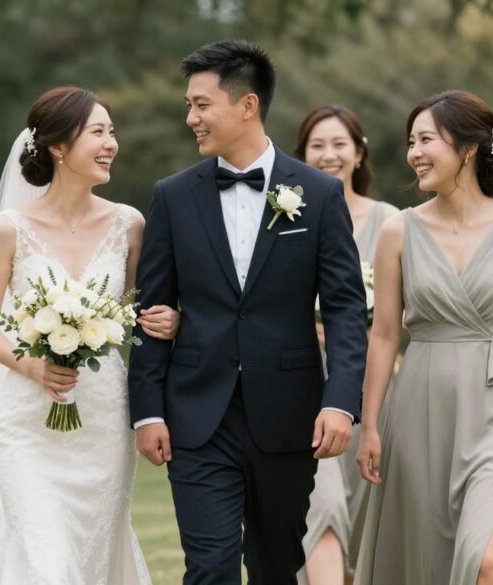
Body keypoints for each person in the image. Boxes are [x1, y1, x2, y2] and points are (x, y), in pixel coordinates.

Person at [129, 40, 369, 584]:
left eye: (200, 104)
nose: (190, 117)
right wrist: (147, 410)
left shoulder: (320, 194)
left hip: (289, 416)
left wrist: (341, 402)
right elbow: (151, 309)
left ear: (247, 105)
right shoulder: (171, 197)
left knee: (275, 567)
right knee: (210, 565)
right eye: (188, 105)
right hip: (196, 414)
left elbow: (346, 310)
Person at [0, 86, 180, 585]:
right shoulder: (10, 228)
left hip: (101, 417)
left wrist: (169, 321)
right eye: (98, 132)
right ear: (57, 147)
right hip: (26, 421)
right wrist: (30, 364)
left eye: (112, 131)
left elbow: (136, 314)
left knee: (92, 554)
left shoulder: (129, 224)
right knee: (46, 562)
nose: (111, 142)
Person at [355, 90, 493, 585]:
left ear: (469, 148)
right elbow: (385, 333)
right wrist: (370, 424)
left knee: (489, 561)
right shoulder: (399, 231)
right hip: (422, 406)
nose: (414, 153)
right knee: (432, 556)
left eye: (426, 139)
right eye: (411, 141)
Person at [293, 104, 399, 585]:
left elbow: (413, 309)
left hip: (377, 389)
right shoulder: (288, 218)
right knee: (323, 503)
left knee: (368, 515)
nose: (328, 154)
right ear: (302, 155)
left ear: (359, 153)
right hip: (305, 385)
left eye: (339, 144)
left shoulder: (391, 221)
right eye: (317, 145)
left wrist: (370, 332)